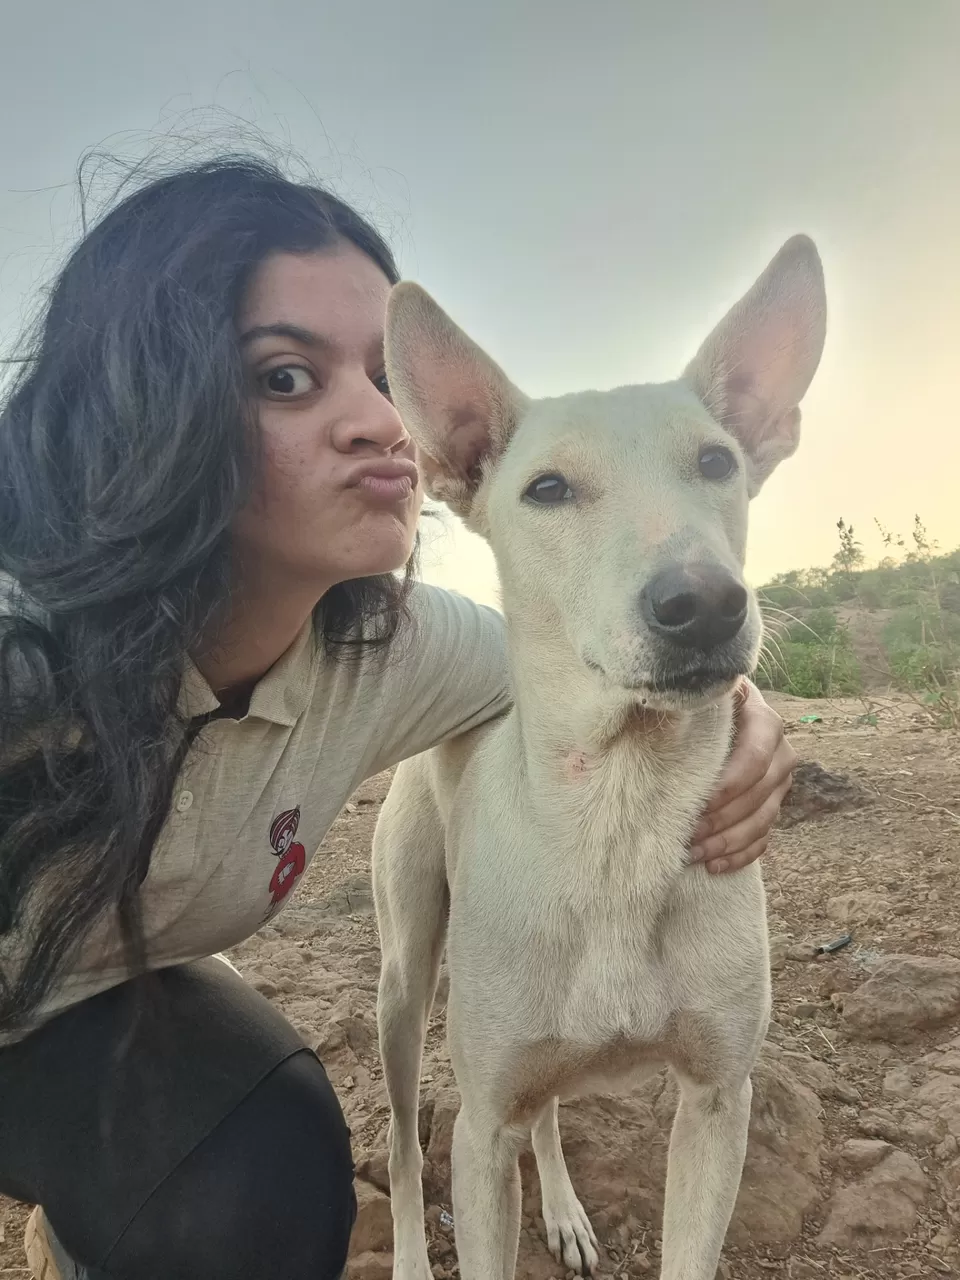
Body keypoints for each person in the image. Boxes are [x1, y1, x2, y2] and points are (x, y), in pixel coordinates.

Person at [0, 155, 797, 1280]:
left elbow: (591, 645)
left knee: (257, 1176)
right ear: (145, 405)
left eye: (383, 377)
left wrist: (743, 709)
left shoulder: (398, 650)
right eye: (286, 377)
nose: (383, 421)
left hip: (98, 1007)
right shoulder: (23, 649)